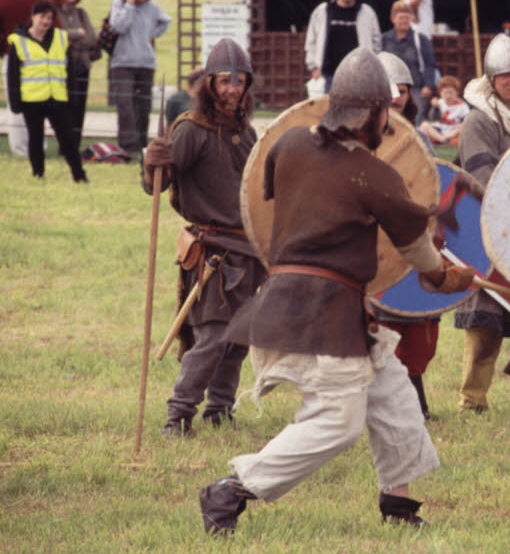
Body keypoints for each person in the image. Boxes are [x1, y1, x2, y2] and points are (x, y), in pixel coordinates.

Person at [197, 47, 475, 534]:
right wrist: (444, 275)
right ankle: (233, 488)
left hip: (311, 302)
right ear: (371, 113)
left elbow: (274, 203)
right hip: (318, 313)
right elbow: (416, 251)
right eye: (384, 112)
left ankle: (398, 504)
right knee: (338, 421)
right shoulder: (376, 176)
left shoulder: (287, 146)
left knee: (393, 394)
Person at [142, 39, 265, 437]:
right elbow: (157, 185)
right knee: (213, 336)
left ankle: (219, 410)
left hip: (249, 250)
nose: (233, 89)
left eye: (240, 81)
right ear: (209, 84)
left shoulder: (246, 133)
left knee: (239, 339)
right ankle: (177, 416)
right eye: (226, 81)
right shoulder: (191, 130)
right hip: (213, 252)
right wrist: (152, 163)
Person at [455, 33, 510, 412]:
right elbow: (482, 181)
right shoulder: (480, 120)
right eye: (506, 75)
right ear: (491, 79)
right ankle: (473, 400)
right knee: (485, 324)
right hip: (488, 233)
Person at [373, 49, 441, 418]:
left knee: (420, 329)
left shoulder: (420, 139)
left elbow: (434, 186)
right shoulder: (361, 137)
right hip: (377, 247)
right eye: (389, 90)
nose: (397, 96)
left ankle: (413, 395)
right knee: (383, 327)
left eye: (402, 90)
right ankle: (400, 403)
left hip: (415, 240)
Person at [5, 0, 87, 182]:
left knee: (67, 139)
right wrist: (15, 103)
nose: (46, 21)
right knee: (35, 139)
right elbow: (12, 77)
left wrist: (71, 97)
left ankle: (79, 174)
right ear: (33, 17)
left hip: (57, 98)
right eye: (43, 17)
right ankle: (38, 174)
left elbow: (69, 72)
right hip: (32, 101)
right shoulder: (18, 42)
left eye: (50, 18)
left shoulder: (60, 38)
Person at [109, 0, 171, 155]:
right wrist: (130, 4)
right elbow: (119, 26)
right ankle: (128, 145)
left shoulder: (152, 8)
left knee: (143, 105)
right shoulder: (119, 4)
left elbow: (166, 21)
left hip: (145, 63)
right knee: (125, 104)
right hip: (123, 63)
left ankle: (142, 143)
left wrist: (152, 34)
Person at [0, 0, 53, 157]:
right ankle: (39, 145)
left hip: (12, 56)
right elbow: (52, 24)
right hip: (38, 55)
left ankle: (20, 148)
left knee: (15, 102)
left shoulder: (2, 0)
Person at [304, 0, 381, 93]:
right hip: (329, 76)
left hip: (359, 77)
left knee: (359, 111)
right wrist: (313, 67)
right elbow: (311, 41)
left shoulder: (367, 12)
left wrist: (371, 68)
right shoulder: (323, 11)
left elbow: (377, 43)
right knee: (330, 111)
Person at [50, 0, 98, 155]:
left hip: (82, 66)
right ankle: (64, 146)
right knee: (65, 108)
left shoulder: (81, 13)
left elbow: (92, 39)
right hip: (62, 68)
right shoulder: (53, 12)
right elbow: (54, 36)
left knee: (79, 107)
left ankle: (74, 147)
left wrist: (70, 37)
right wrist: (77, 33)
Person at [381, 0, 436, 124]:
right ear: (393, 19)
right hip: (390, 89)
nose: (404, 21)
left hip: (416, 89)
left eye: (407, 17)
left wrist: (428, 85)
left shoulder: (421, 40)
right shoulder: (383, 39)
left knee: (413, 123)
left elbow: (429, 64)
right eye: (401, 18)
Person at [419, 75, 469, 145]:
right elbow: (432, 118)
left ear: (457, 92)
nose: (448, 96)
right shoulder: (440, 102)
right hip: (440, 129)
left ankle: (440, 140)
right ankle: (443, 139)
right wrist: (435, 108)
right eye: (445, 93)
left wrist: (461, 124)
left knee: (462, 128)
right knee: (424, 125)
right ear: (441, 93)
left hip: (453, 130)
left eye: (451, 92)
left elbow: (467, 120)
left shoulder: (462, 105)